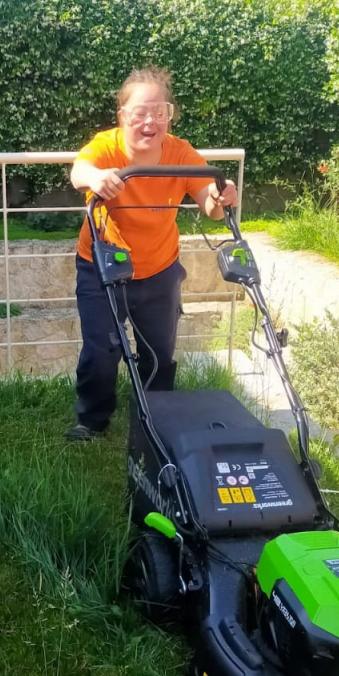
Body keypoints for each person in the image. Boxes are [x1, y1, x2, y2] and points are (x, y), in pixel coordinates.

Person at [66, 66, 238, 441]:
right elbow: (80, 171)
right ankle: (92, 420)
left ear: (169, 115)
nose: (150, 122)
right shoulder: (107, 146)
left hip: (160, 268)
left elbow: (210, 205)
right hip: (102, 266)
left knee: (158, 352)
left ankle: (155, 420)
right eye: (141, 113)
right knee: (102, 349)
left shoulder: (179, 152)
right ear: (123, 115)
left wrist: (221, 196)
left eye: (160, 112)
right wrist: (96, 178)